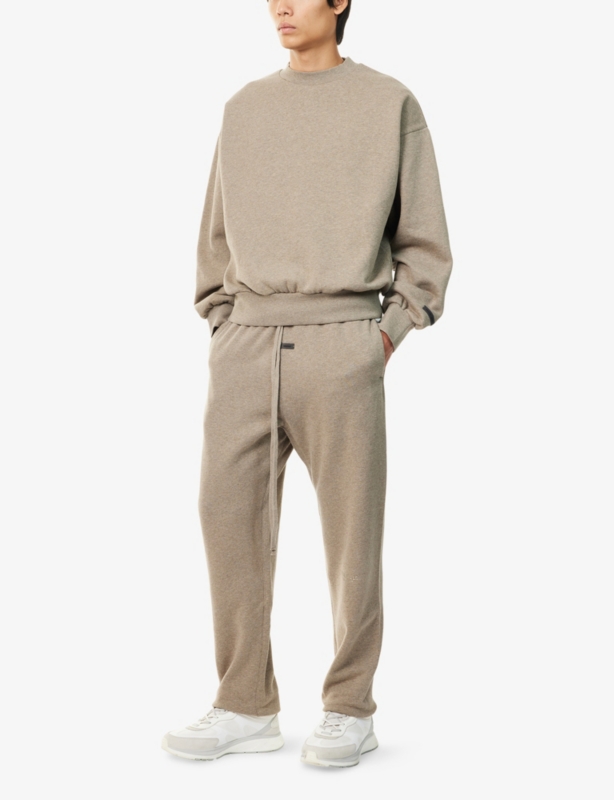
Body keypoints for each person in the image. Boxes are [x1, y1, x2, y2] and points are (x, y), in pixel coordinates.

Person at [162, 0, 453, 769]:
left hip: (343, 341)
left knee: (352, 534)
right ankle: (245, 702)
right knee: (225, 517)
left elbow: (425, 242)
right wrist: (223, 321)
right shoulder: (245, 107)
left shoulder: (389, 103)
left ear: (341, 0)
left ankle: (349, 707)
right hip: (246, 342)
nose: (280, 6)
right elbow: (214, 236)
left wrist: (383, 335)